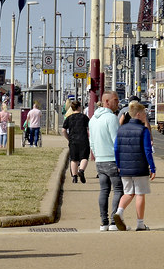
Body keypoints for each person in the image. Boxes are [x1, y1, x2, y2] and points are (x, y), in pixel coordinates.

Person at [113, 101, 156, 231]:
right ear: (138, 114)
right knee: (140, 194)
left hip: (124, 167)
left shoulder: (121, 129)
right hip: (140, 167)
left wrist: (119, 164)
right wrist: (152, 168)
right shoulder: (143, 130)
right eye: (144, 113)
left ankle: (119, 212)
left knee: (128, 192)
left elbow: (116, 148)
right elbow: (148, 150)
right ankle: (140, 223)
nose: (145, 115)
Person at [91, 92, 124, 231]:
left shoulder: (93, 119)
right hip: (112, 159)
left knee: (104, 190)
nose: (118, 103)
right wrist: (120, 161)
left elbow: (91, 142)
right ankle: (113, 222)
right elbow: (116, 141)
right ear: (106, 101)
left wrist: (97, 155)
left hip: (100, 160)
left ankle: (103, 222)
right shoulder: (111, 118)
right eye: (115, 100)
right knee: (118, 190)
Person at [61, 99, 90, 183]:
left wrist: (68, 138)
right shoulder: (84, 117)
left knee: (74, 159)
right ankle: (81, 170)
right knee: (84, 157)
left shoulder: (69, 118)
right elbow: (89, 127)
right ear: (79, 107)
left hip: (73, 140)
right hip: (83, 139)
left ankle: (74, 177)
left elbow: (63, 130)